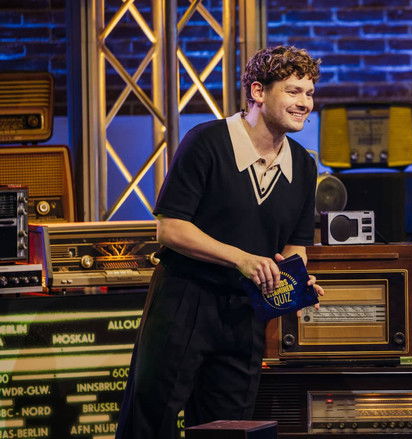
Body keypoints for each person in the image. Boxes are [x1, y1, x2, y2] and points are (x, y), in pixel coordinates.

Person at [115, 45, 325, 439]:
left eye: (310, 93)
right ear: (258, 92)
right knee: (150, 420)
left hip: (245, 313)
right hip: (184, 301)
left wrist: (295, 281)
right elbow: (170, 228)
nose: (305, 103)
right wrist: (241, 259)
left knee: (230, 426)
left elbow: (296, 245)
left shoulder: (303, 164)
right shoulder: (207, 141)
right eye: (293, 91)